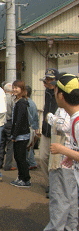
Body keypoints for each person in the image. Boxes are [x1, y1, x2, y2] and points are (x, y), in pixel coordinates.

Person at [48, 74, 79, 230]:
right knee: (71, 207)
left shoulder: (76, 121)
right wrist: (71, 155)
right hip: (72, 171)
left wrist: (63, 150)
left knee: (60, 205)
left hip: (67, 172)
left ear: (61, 95)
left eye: (55, 90)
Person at [44, 105, 76, 230]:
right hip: (69, 159)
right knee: (71, 199)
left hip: (63, 160)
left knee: (60, 200)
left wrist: (50, 117)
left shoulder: (67, 110)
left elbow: (63, 125)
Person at [39, 68, 59, 194]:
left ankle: (54, 186)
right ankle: (49, 183)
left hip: (58, 132)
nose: (47, 82)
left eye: (50, 79)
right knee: (42, 158)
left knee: (55, 161)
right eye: (46, 79)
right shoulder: (47, 92)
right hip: (46, 130)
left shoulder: (61, 93)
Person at [10, 80, 32, 187]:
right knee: (18, 157)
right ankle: (21, 177)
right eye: (13, 87)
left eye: (17, 87)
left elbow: (19, 120)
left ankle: (25, 179)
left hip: (22, 135)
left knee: (21, 158)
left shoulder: (22, 102)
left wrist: (14, 135)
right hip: (19, 134)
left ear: (22, 89)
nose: (14, 89)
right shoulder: (18, 101)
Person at [0, 82, 16, 171]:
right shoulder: (13, 100)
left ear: (4, 90)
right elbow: (14, 112)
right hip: (9, 122)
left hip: (1, 122)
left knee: (1, 143)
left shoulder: (1, 98)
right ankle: (8, 165)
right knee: (10, 144)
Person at [25, 85, 40, 170]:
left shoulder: (28, 103)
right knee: (29, 146)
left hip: (29, 128)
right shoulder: (31, 102)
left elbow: (31, 117)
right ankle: (31, 162)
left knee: (28, 146)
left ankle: (32, 163)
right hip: (32, 127)